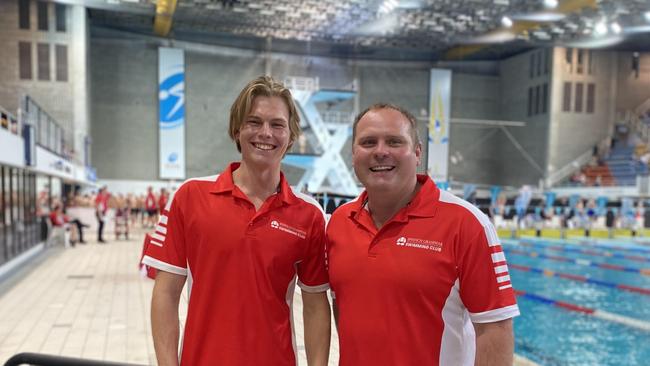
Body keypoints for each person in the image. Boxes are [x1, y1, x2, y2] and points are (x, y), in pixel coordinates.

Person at [142, 76, 331, 366]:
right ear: (237, 129)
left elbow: (316, 305)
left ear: (291, 135)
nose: (265, 133)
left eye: (277, 124)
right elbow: (166, 293)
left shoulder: (309, 215)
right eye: (254, 122)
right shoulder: (190, 196)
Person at [326, 103, 520, 365]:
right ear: (353, 154)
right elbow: (345, 308)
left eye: (394, 142)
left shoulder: (467, 224)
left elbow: (495, 329)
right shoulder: (339, 222)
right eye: (368, 142)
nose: (380, 151)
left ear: (417, 153)